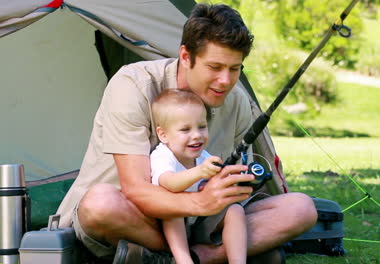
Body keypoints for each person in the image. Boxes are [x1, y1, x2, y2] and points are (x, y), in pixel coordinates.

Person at [56, 3, 317, 263]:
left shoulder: (237, 102)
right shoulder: (133, 85)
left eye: (235, 69)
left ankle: (184, 258)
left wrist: (233, 188)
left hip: (199, 225)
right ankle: (213, 255)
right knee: (100, 204)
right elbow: (136, 190)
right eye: (215, 67)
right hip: (133, 216)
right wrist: (201, 202)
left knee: (301, 208)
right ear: (185, 56)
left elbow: (232, 190)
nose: (225, 80)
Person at [150, 89, 247, 264]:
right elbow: (169, 183)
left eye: (202, 126)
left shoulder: (203, 157)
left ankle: (238, 260)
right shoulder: (162, 156)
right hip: (168, 227)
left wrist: (228, 178)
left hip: (200, 220)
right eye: (185, 129)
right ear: (163, 134)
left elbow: (215, 185)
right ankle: (183, 259)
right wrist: (200, 172)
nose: (196, 135)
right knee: (173, 209)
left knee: (235, 210)